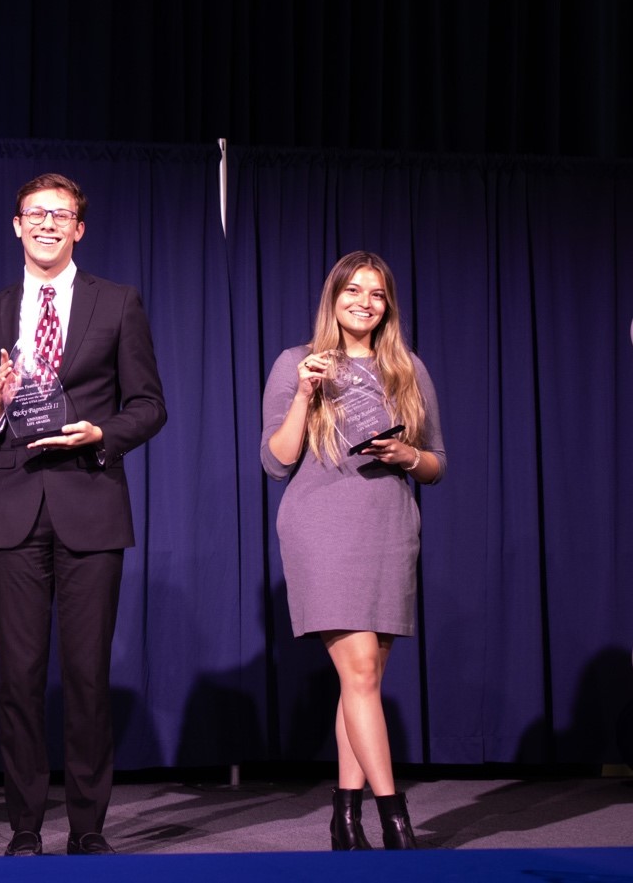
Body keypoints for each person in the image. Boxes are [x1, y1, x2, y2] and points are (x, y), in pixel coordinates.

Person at [0, 173, 167, 857]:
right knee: (17, 677)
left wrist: (102, 434)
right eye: (35, 213)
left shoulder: (118, 303)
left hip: (91, 502)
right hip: (13, 505)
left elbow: (149, 404)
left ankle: (88, 824)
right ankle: (23, 825)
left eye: (61, 214)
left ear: (80, 228)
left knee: (86, 674)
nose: (47, 223)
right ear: (16, 225)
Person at [260, 250, 446, 851]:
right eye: (353, 291)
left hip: (389, 528)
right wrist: (304, 395)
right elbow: (276, 460)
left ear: (388, 304)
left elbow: (436, 462)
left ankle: (345, 817)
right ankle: (395, 817)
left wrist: (406, 457)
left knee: (361, 681)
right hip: (322, 527)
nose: (364, 302)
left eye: (377, 293)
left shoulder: (406, 368)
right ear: (333, 297)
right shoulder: (298, 362)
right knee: (361, 672)